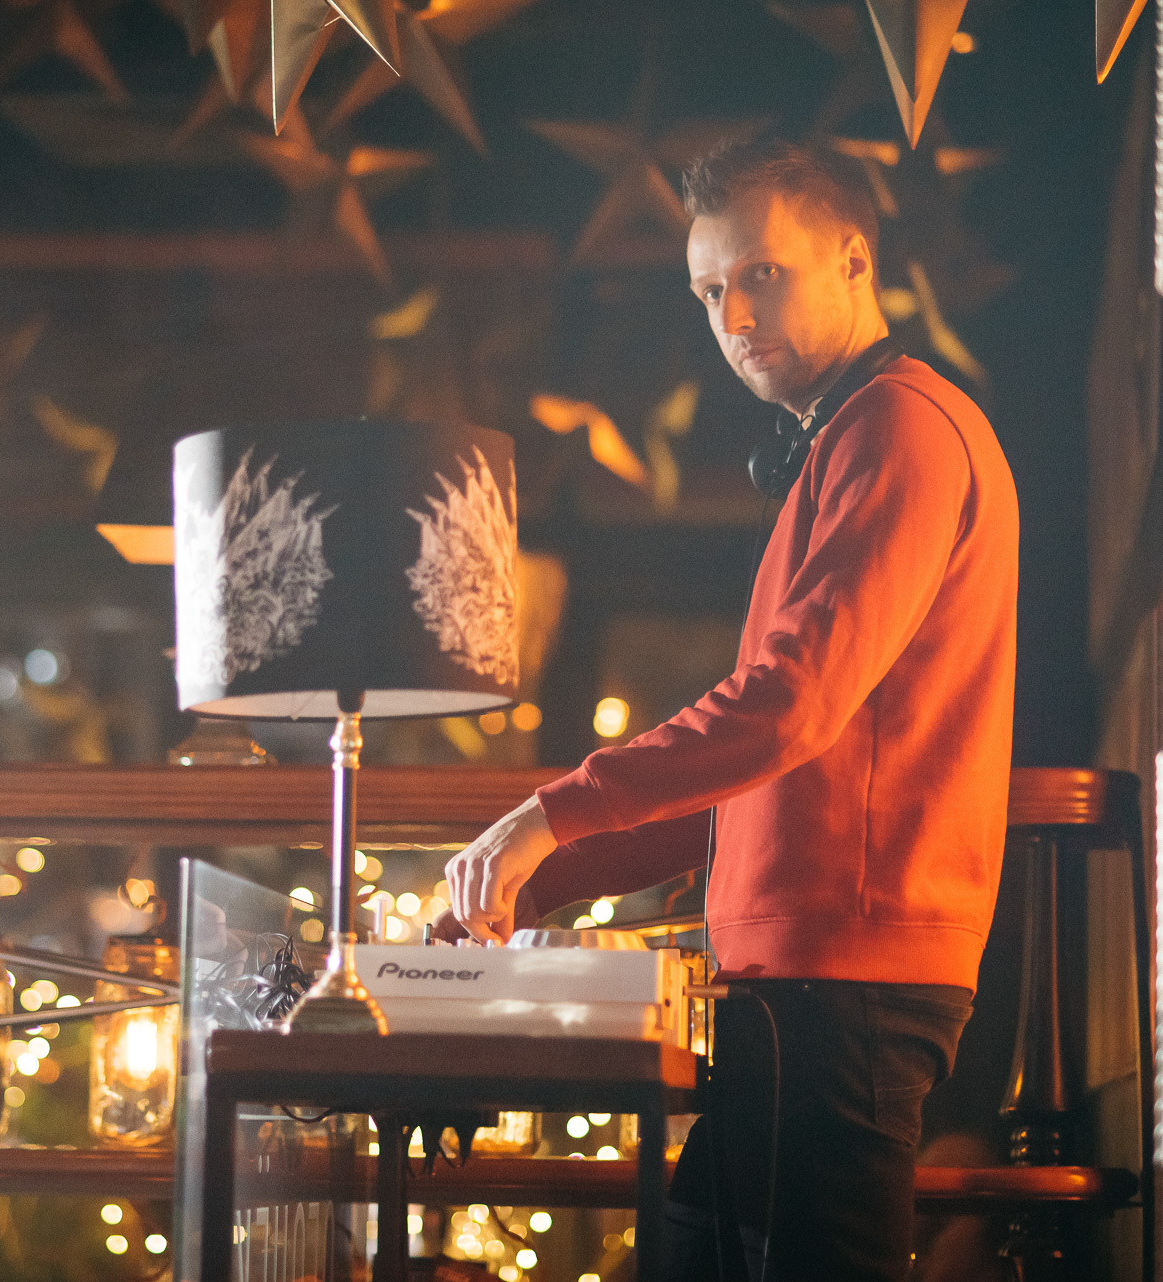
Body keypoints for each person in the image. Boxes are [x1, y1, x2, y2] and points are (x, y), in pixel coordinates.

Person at [434, 138, 1020, 1281]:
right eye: (709, 290)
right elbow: (754, 775)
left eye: (763, 275)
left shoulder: (899, 426)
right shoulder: (847, 438)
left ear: (855, 262)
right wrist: (535, 873)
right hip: (796, 989)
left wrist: (551, 816)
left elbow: (787, 708)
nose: (734, 316)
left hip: (841, 987)